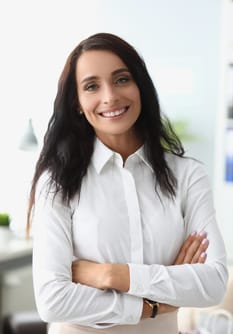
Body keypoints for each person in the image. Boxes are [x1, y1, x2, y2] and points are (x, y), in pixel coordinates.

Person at [27, 32, 228, 334]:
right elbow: (53, 300)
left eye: (122, 79)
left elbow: (212, 284)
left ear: (141, 87)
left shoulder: (187, 176)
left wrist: (110, 275)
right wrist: (155, 304)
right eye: (92, 86)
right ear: (77, 103)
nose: (110, 97)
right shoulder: (57, 182)